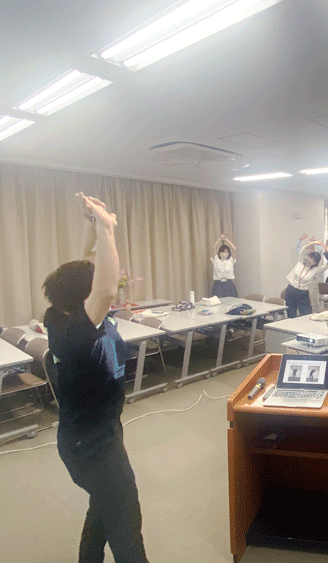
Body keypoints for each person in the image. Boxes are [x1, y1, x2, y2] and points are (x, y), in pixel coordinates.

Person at [43, 193, 150, 563]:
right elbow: (104, 287)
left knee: (103, 508)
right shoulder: (75, 333)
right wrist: (106, 227)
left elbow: (87, 276)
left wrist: (94, 230)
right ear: (85, 298)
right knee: (126, 527)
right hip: (92, 447)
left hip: (96, 434)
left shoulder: (63, 314)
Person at [285, 238, 328, 318]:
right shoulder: (300, 261)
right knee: (291, 314)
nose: (310, 260)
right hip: (291, 290)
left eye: (313, 260)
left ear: (315, 263)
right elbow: (303, 249)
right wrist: (313, 243)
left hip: (302, 293)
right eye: (310, 258)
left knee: (306, 314)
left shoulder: (315, 270)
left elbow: (326, 265)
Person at [210, 233, 238, 298]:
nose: (224, 253)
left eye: (226, 252)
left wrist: (226, 240)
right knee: (218, 301)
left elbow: (234, 249)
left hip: (229, 284)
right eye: (223, 252)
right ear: (219, 252)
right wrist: (219, 239)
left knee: (231, 301)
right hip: (218, 284)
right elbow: (213, 248)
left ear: (228, 253)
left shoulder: (230, 260)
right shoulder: (216, 260)